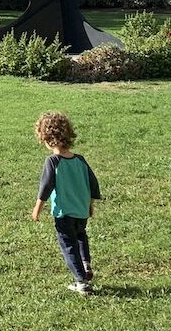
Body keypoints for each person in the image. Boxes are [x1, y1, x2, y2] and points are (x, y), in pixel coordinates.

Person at [31, 110, 102, 295]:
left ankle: (81, 282)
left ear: (46, 139)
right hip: (81, 211)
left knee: (68, 244)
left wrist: (37, 208)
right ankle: (85, 263)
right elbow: (93, 184)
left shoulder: (53, 161)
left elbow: (46, 186)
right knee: (80, 236)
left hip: (64, 213)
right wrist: (90, 205)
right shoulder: (80, 160)